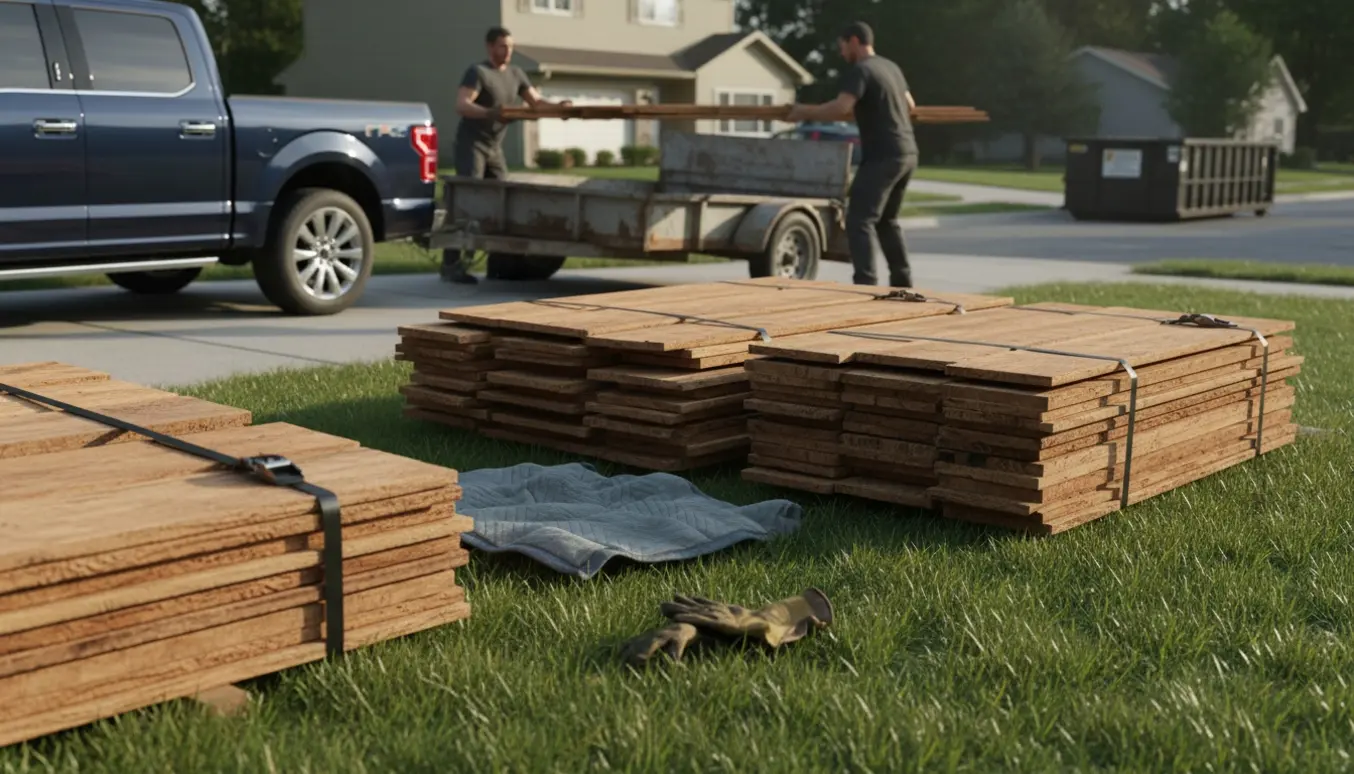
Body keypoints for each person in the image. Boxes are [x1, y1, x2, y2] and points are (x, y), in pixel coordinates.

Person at [787, 21, 918, 288]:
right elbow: (910, 105)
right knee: (887, 220)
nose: (842, 52)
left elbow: (841, 107)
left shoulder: (861, 70)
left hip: (883, 155)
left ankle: (865, 283)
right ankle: (902, 282)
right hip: (908, 152)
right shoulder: (890, 67)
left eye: (843, 46)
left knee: (859, 218)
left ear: (855, 41)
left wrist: (804, 112)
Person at [442, 26, 572, 284]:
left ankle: (499, 264)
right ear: (490, 47)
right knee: (467, 203)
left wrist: (559, 108)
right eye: (502, 46)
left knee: (505, 201)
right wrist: (491, 113)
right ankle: (451, 264)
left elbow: (536, 103)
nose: (507, 51)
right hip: (473, 146)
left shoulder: (516, 74)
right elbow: (462, 105)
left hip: (494, 148)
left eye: (510, 46)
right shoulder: (478, 72)